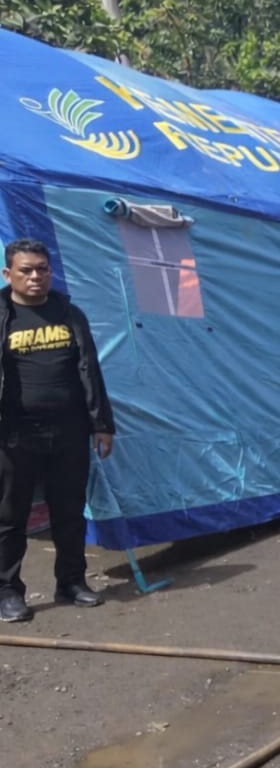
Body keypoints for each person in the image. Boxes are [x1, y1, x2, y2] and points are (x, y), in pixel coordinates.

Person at [0, 239, 115, 623]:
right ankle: (7, 592)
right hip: (14, 434)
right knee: (10, 516)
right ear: (8, 274)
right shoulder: (2, 315)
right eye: (26, 270)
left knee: (69, 512)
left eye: (42, 269)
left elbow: (89, 370)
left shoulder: (69, 313)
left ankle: (71, 582)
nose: (35, 276)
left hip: (68, 431)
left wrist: (102, 424)